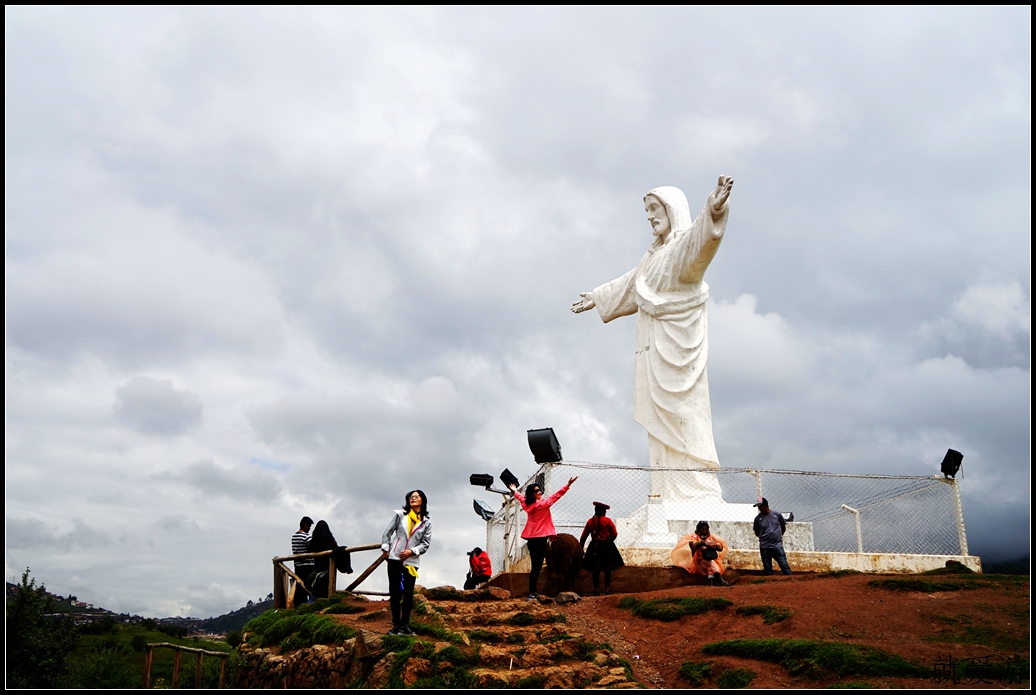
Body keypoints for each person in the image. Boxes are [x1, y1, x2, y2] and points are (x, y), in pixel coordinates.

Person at [571, 179, 739, 514]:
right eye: (647, 211)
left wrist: (714, 210)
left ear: (672, 210)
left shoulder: (681, 247)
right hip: (653, 349)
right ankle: (664, 490)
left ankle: (698, 491)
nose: (650, 217)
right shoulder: (653, 256)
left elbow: (702, 241)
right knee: (659, 423)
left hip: (679, 351)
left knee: (686, 417)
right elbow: (632, 283)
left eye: (655, 209)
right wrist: (598, 296)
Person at [507, 476, 578, 601]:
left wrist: (514, 490)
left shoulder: (527, 504)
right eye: (536, 491)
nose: (539, 492)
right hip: (540, 540)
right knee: (537, 567)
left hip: (531, 540)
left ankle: (532, 592)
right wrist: (567, 485)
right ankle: (532, 593)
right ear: (532, 494)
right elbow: (556, 496)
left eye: (539, 490)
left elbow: (520, 497)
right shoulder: (543, 504)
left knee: (535, 566)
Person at [381, 490, 432, 635]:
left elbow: (425, 543)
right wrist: (386, 549)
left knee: (409, 592)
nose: (413, 498)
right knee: (395, 592)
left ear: (423, 500)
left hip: (411, 561)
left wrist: (412, 551)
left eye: (416, 496)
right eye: (411, 497)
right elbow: (387, 532)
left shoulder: (426, 522)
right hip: (395, 558)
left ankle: (406, 625)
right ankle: (396, 624)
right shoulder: (400, 515)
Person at [579, 502, 624, 596]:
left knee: (596, 570)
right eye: (604, 511)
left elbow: (584, 536)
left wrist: (581, 546)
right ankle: (607, 590)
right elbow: (614, 534)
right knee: (608, 569)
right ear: (603, 511)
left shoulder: (590, 522)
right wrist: (609, 541)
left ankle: (596, 590)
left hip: (594, 546)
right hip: (607, 546)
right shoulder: (607, 521)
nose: (605, 512)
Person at [671, 520, 728, 586]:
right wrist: (703, 543)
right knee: (710, 563)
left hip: (711, 558)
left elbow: (720, 548)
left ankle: (711, 584)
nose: (704, 531)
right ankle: (721, 581)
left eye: (706, 529)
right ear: (699, 529)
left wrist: (714, 545)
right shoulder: (693, 537)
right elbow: (693, 546)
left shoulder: (711, 537)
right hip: (699, 560)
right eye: (702, 529)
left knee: (710, 563)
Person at [306, 520, 353, 599]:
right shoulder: (329, 538)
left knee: (316, 585)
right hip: (329, 566)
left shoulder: (314, 540)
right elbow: (336, 547)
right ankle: (328, 599)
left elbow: (309, 550)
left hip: (318, 566)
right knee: (328, 586)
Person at [753, 498, 792, 576]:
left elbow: (783, 527)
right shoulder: (757, 519)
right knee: (767, 568)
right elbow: (757, 532)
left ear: (765, 505)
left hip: (777, 545)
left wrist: (778, 536)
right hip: (764, 546)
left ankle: (790, 579)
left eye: (760, 506)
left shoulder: (777, 515)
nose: (759, 508)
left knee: (784, 565)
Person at [291, 516, 314, 606]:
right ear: (306, 526)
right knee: (310, 585)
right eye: (309, 527)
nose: (309, 529)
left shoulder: (294, 537)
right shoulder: (307, 537)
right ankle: (311, 603)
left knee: (300, 586)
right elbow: (312, 548)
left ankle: (299, 604)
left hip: (298, 565)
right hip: (308, 565)